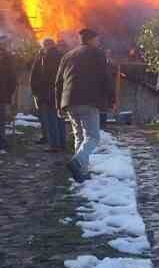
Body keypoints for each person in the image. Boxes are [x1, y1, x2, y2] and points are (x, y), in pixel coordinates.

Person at [55, 27, 117, 182]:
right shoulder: (97, 54)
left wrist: (59, 105)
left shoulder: (67, 56)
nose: (99, 42)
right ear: (91, 39)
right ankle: (78, 161)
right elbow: (106, 78)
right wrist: (112, 99)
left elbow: (58, 83)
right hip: (89, 101)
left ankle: (81, 172)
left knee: (79, 136)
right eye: (97, 39)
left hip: (69, 102)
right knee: (93, 137)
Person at [30, 38, 68, 152]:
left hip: (47, 94)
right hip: (60, 93)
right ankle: (62, 144)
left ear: (45, 46)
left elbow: (38, 76)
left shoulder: (43, 58)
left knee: (51, 120)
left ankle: (54, 145)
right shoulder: (63, 57)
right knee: (60, 119)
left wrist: (36, 92)